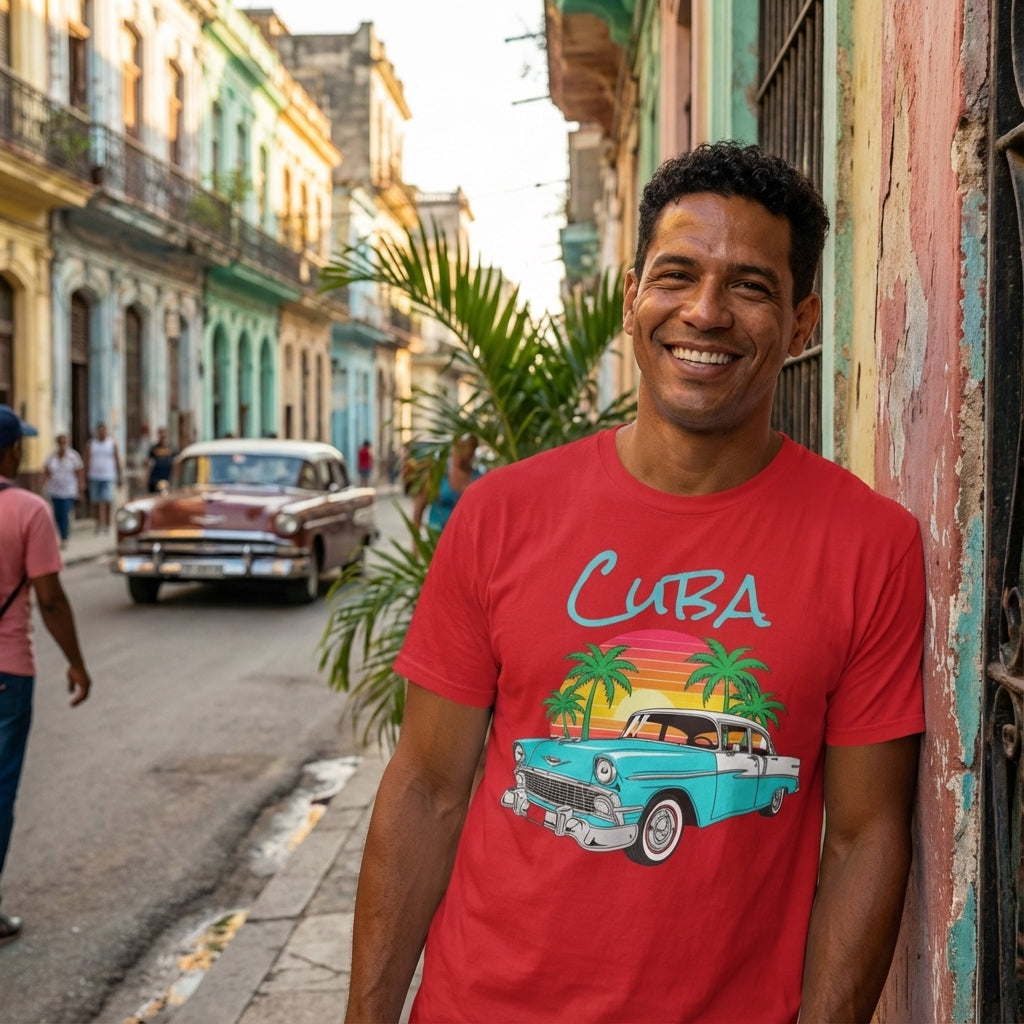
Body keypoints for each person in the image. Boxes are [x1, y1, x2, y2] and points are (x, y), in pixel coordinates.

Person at [344, 142, 926, 1024]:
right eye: (677, 274)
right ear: (631, 297)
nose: (705, 311)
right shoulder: (501, 515)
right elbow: (426, 789)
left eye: (751, 286)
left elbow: (862, 838)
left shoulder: (871, 546)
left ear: (803, 322)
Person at [0, 405, 91, 945]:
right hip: (8, 672)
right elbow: (50, 600)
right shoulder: (28, 511)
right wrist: (76, 663)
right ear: (11, 451)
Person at [410, 434, 481, 532]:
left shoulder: (478, 478)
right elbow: (419, 508)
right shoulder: (439, 474)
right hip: (437, 537)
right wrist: (416, 543)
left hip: (465, 536)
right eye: (462, 447)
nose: (466, 453)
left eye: (470, 450)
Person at [42, 434, 84, 548]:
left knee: (65, 513)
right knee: (57, 514)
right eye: (60, 442)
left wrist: (81, 487)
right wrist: (43, 486)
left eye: (64, 442)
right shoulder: (51, 457)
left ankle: (64, 537)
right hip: (54, 490)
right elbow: (46, 472)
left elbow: (79, 471)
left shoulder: (73, 456)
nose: (62, 445)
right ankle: (58, 535)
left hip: (69, 490)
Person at [84, 422, 121, 532]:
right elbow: (86, 460)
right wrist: (84, 477)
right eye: (100, 430)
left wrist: (120, 476)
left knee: (107, 500)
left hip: (108, 476)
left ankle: (107, 524)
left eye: (104, 430)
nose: (102, 433)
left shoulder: (111, 443)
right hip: (94, 476)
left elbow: (117, 459)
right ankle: (98, 524)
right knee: (95, 502)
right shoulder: (91, 444)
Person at [146, 426, 175, 493]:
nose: (162, 435)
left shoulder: (171, 448)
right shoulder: (154, 448)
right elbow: (149, 463)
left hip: (168, 477)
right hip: (156, 478)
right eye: (161, 433)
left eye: (164, 433)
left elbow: (175, 463)